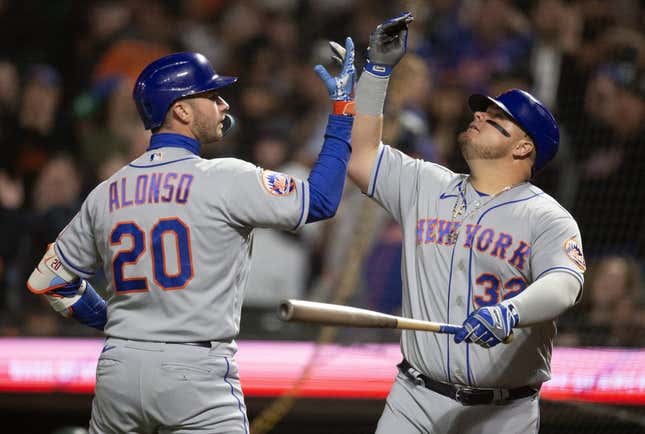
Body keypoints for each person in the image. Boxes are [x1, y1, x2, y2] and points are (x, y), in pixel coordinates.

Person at [25, 41, 356, 433]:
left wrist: (110, 319)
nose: (224, 105)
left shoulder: (107, 191)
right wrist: (342, 113)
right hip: (195, 373)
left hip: (119, 370)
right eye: (212, 96)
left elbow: (49, 280)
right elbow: (320, 200)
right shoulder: (224, 178)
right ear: (180, 110)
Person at [348, 12, 586, 433]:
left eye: (495, 119)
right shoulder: (425, 182)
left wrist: (510, 311)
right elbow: (363, 157)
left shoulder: (547, 216)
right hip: (414, 399)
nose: (478, 117)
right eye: (480, 112)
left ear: (524, 147)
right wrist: (377, 73)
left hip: (502, 413)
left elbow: (565, 284)